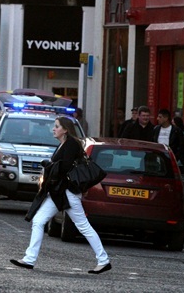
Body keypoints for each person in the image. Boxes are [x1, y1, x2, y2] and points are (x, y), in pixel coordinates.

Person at [10, 116, 111, 274]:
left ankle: (103, 260)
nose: (53, 129)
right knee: (38, 221)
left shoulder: (70, 144)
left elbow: (64, 168)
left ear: (65, 129)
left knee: (83, 226)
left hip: (68, 193)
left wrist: (49, 165)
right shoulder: (64, 144)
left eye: (56, 126)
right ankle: (29, 259)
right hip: (58, 193)